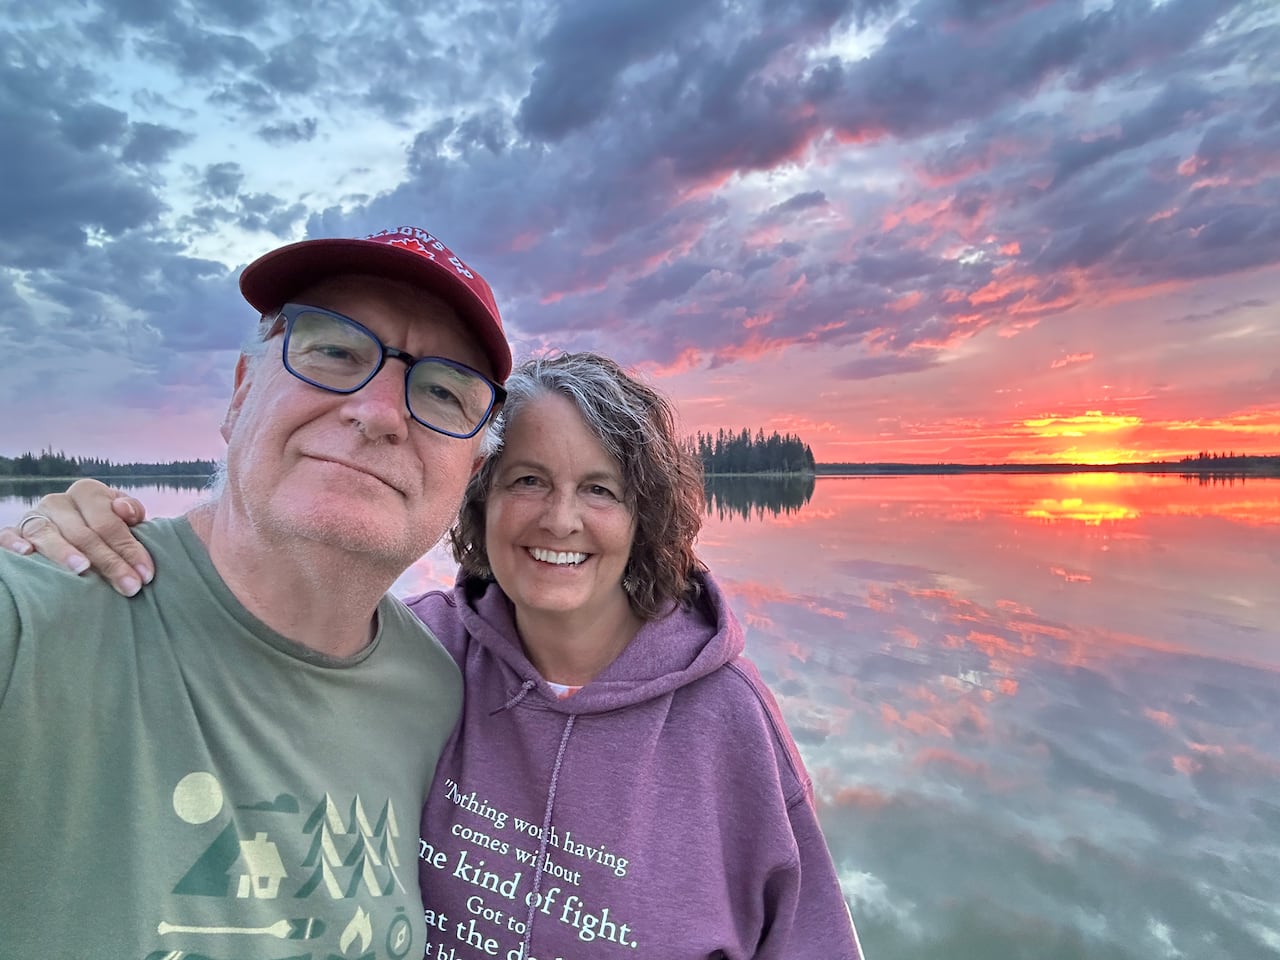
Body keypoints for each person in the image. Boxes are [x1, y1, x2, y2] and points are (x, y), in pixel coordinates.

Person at [6, 354, 865, 958]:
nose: (560, 518)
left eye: (600, 489)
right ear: (478, 500)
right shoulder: (419, 653)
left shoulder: (729, 719)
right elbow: (255, 646)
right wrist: (90, 541)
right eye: (527, 480)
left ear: (644, 518)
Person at [0, 224, 512, 957]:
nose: (378, 413)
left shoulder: (432, 688)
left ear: (470, 473)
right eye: (335, 351)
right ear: (242, 392)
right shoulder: (38, 618)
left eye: (442, 390)